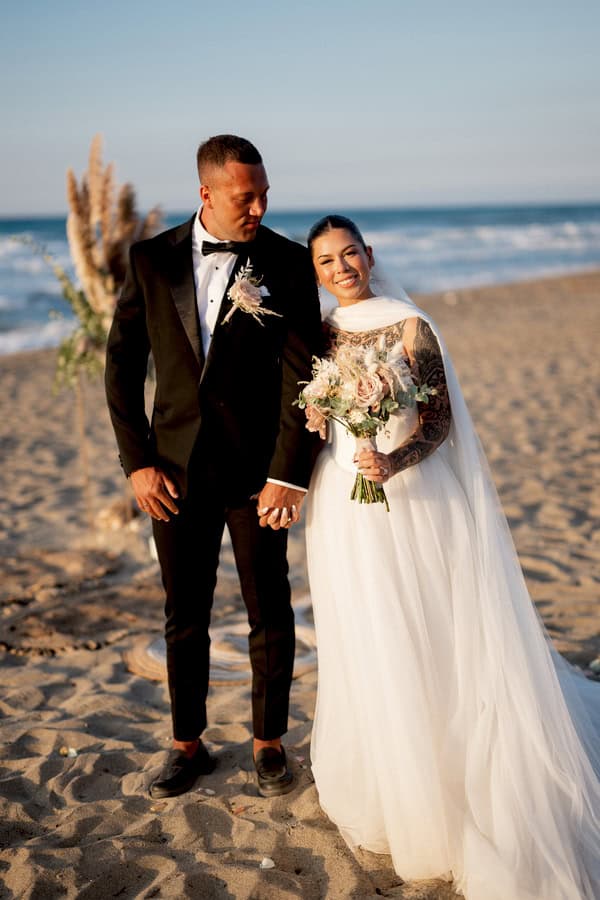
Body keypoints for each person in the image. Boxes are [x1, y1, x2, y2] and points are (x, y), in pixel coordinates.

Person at [304, 215, 600, 899]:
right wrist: (320, 421)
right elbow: (308, 407)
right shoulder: (320, 331)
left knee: (431, 627)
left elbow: (438, 421)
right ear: (316, 272)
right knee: (372, 633)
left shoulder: (411, 325)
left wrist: (395, 458)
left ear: (370, 255)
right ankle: (395, 774)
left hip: (416, 500)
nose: (342, 266)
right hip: (344, 509)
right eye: (327, 260)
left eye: (350, 253)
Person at [105, 135, 322, 799]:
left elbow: (302, 379)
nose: (257, 206)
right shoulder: (150, 259)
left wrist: (288, 472)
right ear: (206, 194)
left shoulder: (286, 263)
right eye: (243, 196)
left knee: (270, 608)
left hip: (258, 475)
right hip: (173, 475)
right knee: (184, 612)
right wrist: (138, 463)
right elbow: (120, 366)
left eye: (262, 194)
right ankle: (187, 744)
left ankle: (268, 743)